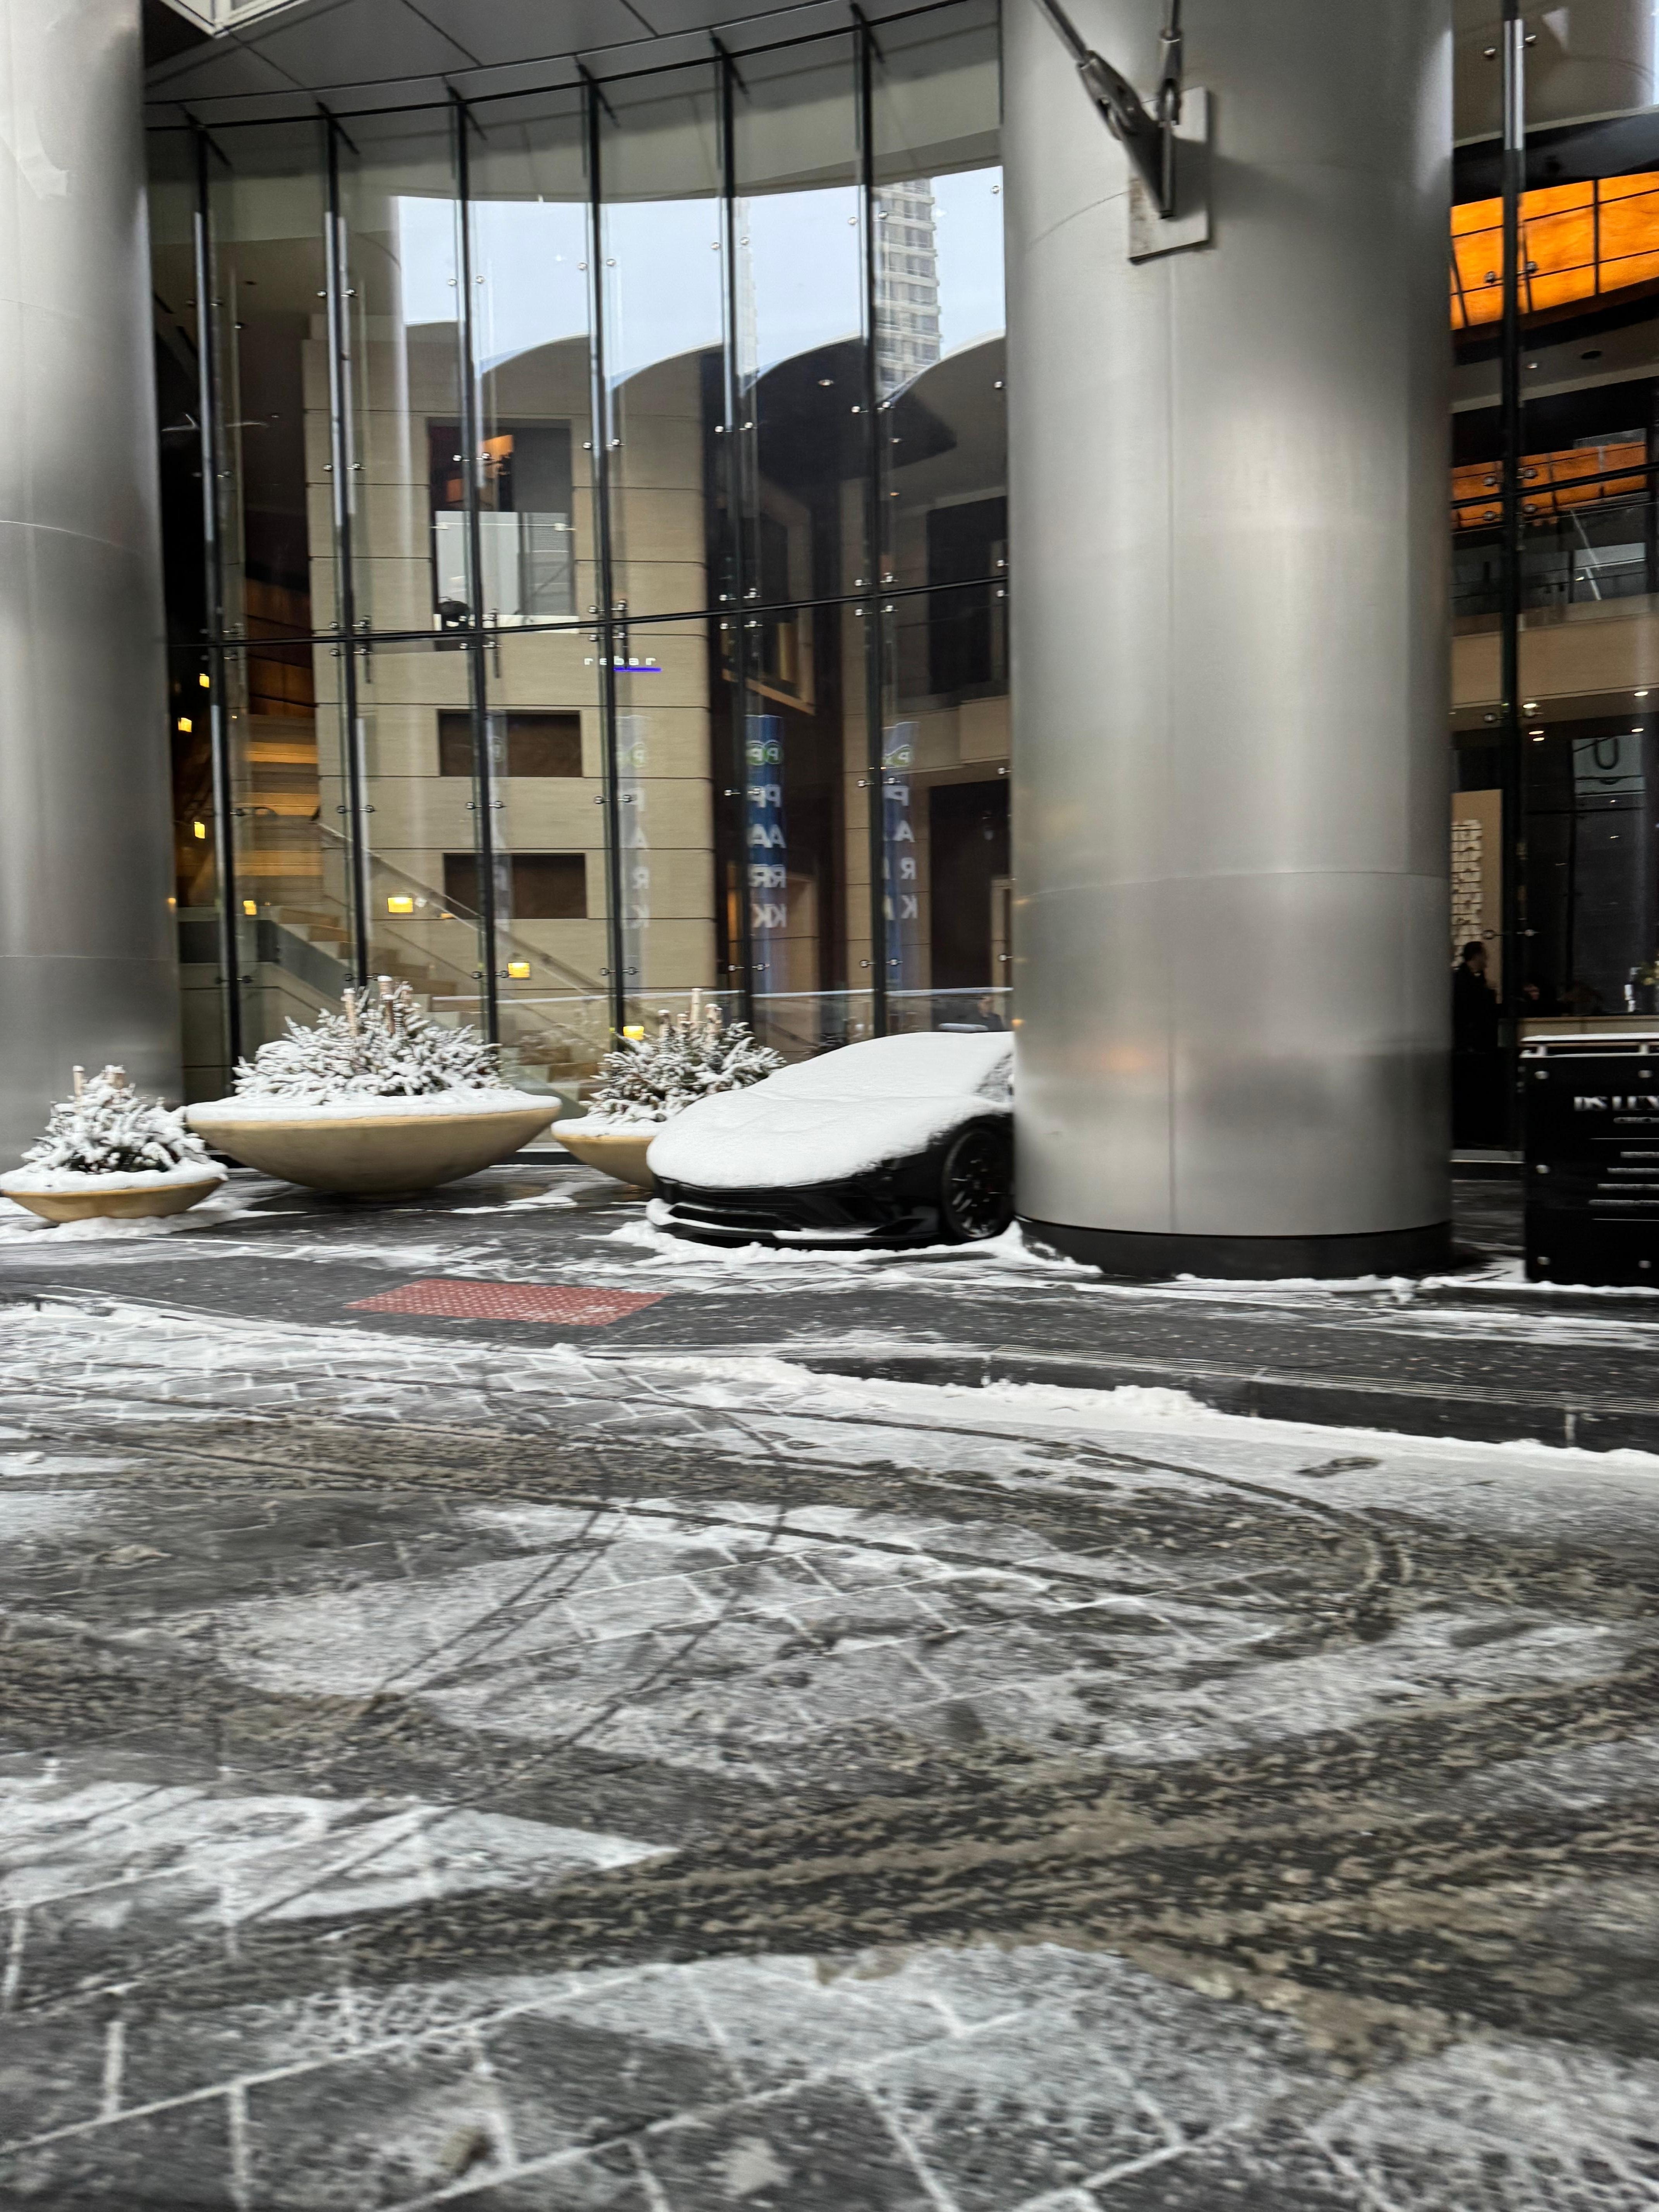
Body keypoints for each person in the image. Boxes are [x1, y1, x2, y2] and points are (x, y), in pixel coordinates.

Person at [1452, 941, 1501, 1146]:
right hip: (1467, 1046)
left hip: (1474, 1044)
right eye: (1484, 956)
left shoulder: (1474, 980)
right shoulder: (1461, 981)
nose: (1487, 961)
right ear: (1476, 957)